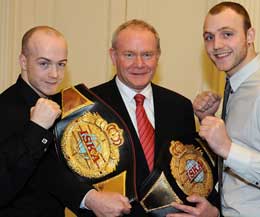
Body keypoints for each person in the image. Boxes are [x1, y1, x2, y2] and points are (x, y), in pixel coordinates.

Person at [90, 19, 219, 217]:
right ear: (113, 56)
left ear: (158, 56)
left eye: (147, 54)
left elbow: (195, 172)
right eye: (129, 55)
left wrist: (212, 210)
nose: (139, 64)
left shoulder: (180, 107)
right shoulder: (91, 106)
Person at [0, 26, 93, 216]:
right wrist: (36, 128)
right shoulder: (4, 108)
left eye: (61, 64)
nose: (55, 74)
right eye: (44, 64)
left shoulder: (64, 105)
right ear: (23, 61)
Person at [193, 2, 260, 217]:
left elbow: (231, 149)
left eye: (227, 34)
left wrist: (228, 148)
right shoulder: (235, 84)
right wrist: (208, 118)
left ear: (250, 36)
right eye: (209, 37)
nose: (216, 45)